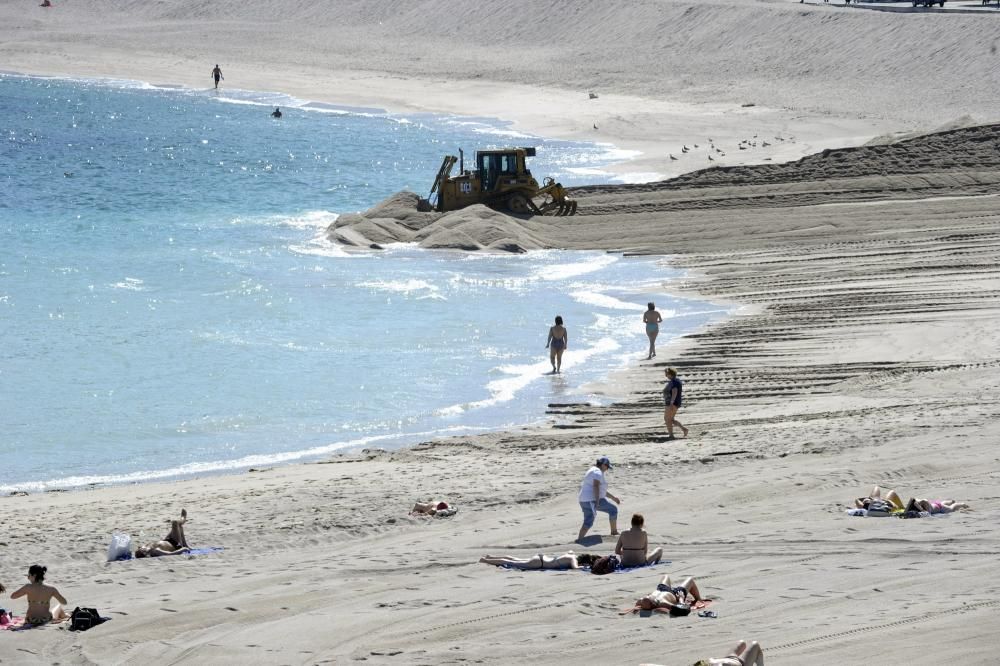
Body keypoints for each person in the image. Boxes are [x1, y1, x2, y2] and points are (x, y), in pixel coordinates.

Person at [577, 456, 620, 541]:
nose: (607, 469)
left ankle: (614, 532)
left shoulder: (594, 470)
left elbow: (601, 490)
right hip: (590, 500)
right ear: (603, 465)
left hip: (586, 499)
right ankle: (580, 540)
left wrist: (613, 498)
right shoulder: (597, 472)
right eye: (607, 466)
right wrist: (597, 501)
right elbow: (595, 486)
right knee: (589, 520)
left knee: (612, 510)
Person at [628, 573, 703, 614]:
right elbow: (682, 608)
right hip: (674, 593)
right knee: (690, 580)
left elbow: (638, 605)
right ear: (653, 604)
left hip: (661, 589)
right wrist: (681, 598)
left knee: (666, 576)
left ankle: (698, 598)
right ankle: (698, 599)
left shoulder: (640, 601)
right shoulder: (663, 603)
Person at [479, 552, 601, 570]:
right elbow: (575, 568)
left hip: (541, 558)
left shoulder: (571, 554)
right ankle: (485, 560)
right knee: (511, 562)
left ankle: (490, 557)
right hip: (539, 563)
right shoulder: (572, 559)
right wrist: (584, 568)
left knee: (513, 559)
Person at [695, 640, 765, 666]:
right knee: (755, 644)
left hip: (730, 658)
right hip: (742, 663)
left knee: (741, 642)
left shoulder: (703, 663)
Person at [663, 367, 688, 440]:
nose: (666, 375)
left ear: (670, 374)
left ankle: (671, 435)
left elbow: (674, 391)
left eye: (666, 374)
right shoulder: (676, 380)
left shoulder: (674, 382)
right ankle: (684, 429)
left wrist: (671, 403)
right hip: (675, 403)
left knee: (667, 419)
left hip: (672, 403)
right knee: (671, 419)